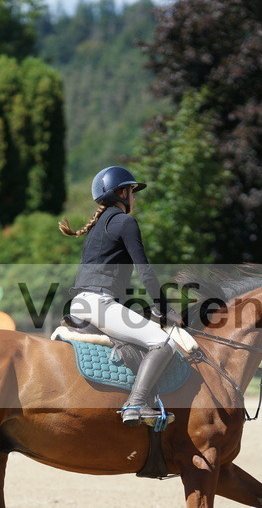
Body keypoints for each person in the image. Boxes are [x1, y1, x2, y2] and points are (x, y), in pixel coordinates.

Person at [61, 166, 184, 427]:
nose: (134, 198)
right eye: (132, 192)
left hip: (81, 303)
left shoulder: (97, 226)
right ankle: (136, 403)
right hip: (98, 303)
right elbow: (145, 271)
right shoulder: (125, 222)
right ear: (121, 193)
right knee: (163, 343)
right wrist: (164, 308)